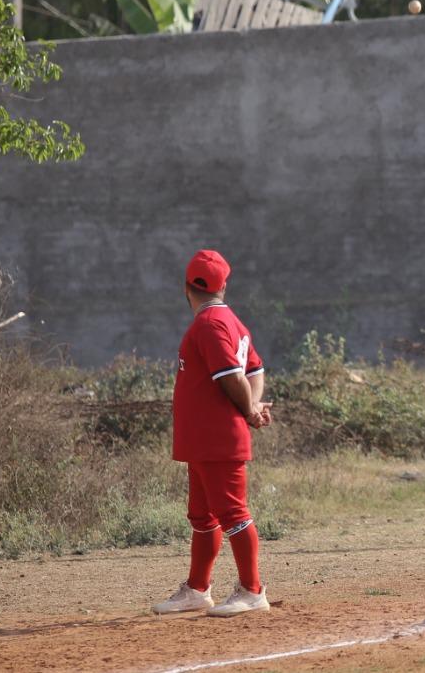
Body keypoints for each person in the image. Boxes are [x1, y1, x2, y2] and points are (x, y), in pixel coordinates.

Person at [152, 249, 274, 616]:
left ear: (186, 287)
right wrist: (253, 404)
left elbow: (232, 377)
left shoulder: (208, 324)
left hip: (218, 437)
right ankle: (197, 589)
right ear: (224, 285)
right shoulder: (232, 322)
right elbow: (255, 372)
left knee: (233, 512)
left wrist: (249, 409)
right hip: (204, 439)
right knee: (203, 517)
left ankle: (252, 591)